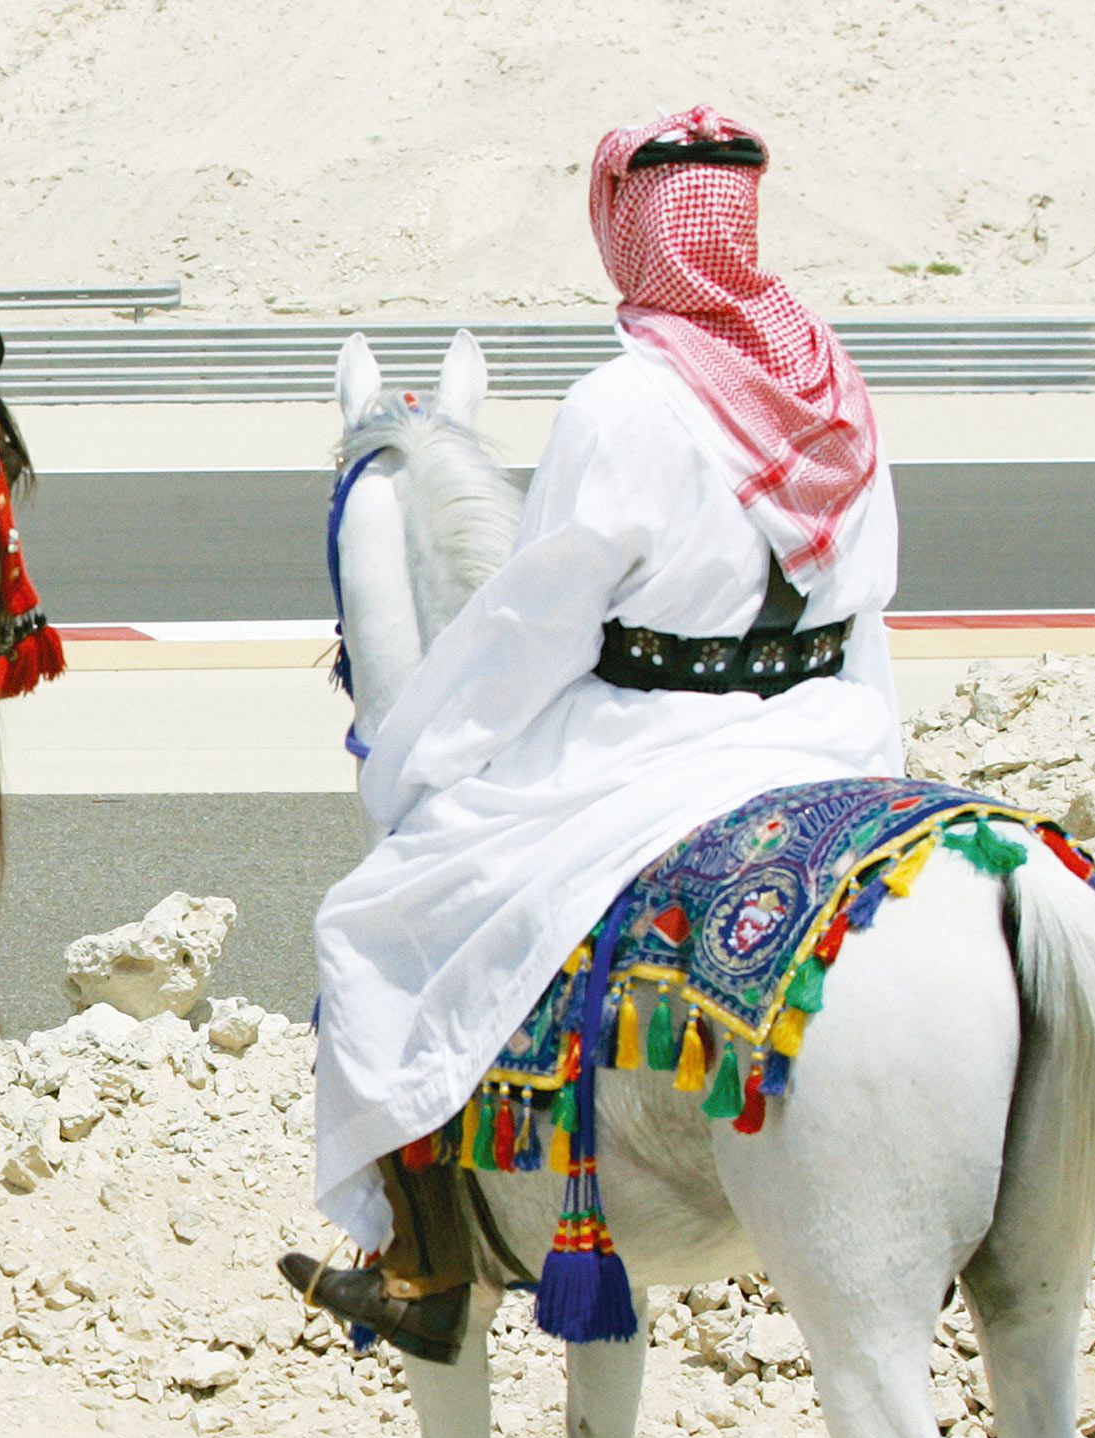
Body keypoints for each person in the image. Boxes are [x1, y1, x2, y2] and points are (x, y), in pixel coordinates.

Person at [284, 106, 906, 1361]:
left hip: (656, 748)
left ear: (631, 229)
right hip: (835, 729)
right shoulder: (828, 378)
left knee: (369, 920)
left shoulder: (622, 403)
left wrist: (423, 758)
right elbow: (869, 591)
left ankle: (424, 1263)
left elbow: (536, 624)